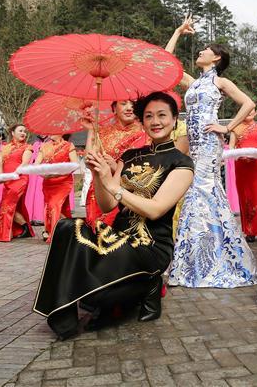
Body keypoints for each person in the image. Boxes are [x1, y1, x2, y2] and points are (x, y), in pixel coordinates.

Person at [33, 92, 194, 338]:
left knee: (97, 295)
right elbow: (107, 205)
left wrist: (115, 186)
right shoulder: (130, 157)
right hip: (117, 237)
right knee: (67, 228)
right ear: (142, 120)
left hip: (149, 244)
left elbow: (156, 209)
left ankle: (149, 284)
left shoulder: (181, 162)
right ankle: (63, 315)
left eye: (162, 115)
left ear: (174, 120)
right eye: (149, 116)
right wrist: (99, 174)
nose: (155, 121)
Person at [165, 16, 257, 288]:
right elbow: (167, 63)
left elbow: (248, 102)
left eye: (205, 50)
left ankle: (206, 261)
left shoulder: (220, 82)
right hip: (194, 144)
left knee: (200, 192)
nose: (200, 52)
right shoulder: (195, 83)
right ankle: (199, 259)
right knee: (198, 194)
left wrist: (226, 126)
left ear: (216, 58)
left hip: (208, 144)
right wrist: (177, 31)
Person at [84, 100, 148, 228]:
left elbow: (145, 168)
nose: (129, 108)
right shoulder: (102, 131)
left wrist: (115, 167)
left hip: (126, 193)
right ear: (114, 108)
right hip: (99, 189)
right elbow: (90, 158)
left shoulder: (145, 133)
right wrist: (91, 130)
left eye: (133, 104)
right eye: (123, 104)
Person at [228, 111, 257, 242]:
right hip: (241, 165)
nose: (249, 113)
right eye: (247, 110)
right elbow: (231, 146)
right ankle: (250, 230)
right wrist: (236, 154)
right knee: (245, 196)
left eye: (252, 110)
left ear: (256, 112)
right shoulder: (235, 128)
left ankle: (256, 229)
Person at [0, 124, 34, 241]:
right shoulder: (5, 147)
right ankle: (25, 228)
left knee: (7, 205)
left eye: (24, 131)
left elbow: (24, 163)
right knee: (9, 206)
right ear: (12, 133)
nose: (23, 133)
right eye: (20, 131)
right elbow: (0, 164)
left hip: (19, 179)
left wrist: (13, 174)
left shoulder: (27, 147)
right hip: (7, 180)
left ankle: (4, 235)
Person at [37, 134, 78, 242]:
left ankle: (54, 233)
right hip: (48, 182)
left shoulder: (69, 145)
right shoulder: (44, 146)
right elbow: (37, 164)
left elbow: (75, 165)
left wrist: (57, 174)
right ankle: (69, 229)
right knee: (50, 206)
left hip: (63, 181)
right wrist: (43, 174)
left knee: (54, 205)